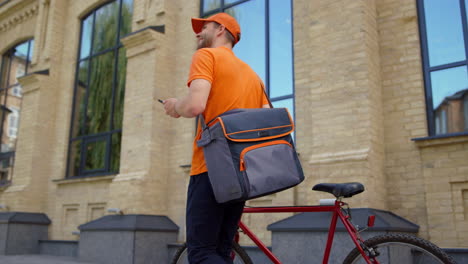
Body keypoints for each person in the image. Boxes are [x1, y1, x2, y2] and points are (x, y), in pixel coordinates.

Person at [163, 12, 269, 263]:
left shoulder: (205, 56)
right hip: (242, 172)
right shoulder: (253, 75)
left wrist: (176, 106)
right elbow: (265, 118)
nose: (198, 33)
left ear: (221, 29)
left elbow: (195, 106)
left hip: (211, 167)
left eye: (204, 27)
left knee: (201, 253)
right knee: (222, 250)